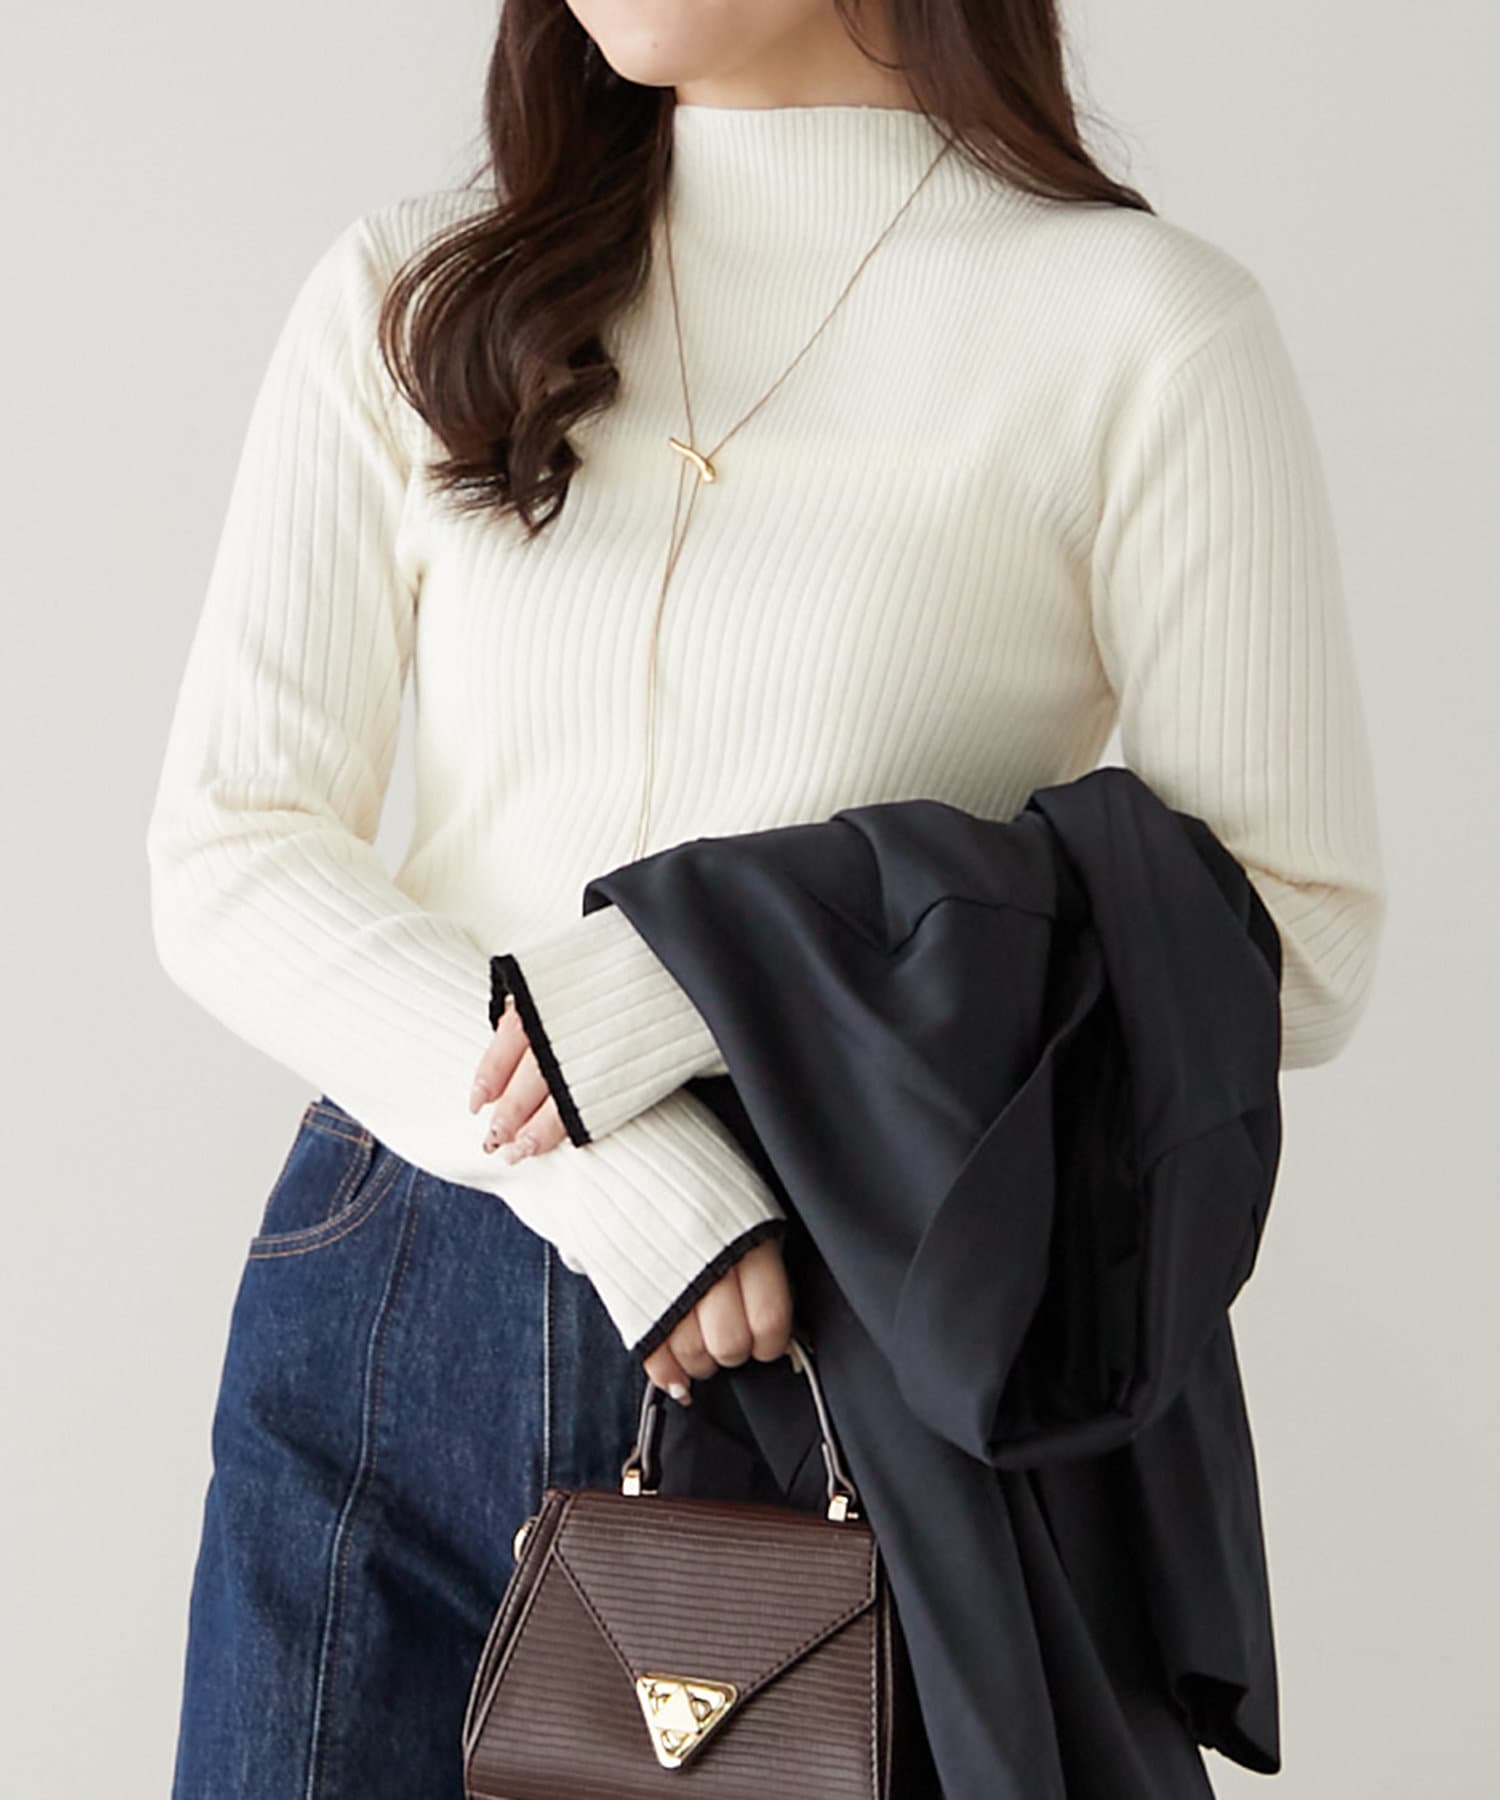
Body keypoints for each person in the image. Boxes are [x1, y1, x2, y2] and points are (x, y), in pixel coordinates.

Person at [147, 2, 1387, 1795]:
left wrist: (718, 971)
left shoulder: (1142, 329)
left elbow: (1290, 933)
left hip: (825, 1319)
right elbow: (234, 841)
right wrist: (606, 1168)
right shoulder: (415, 292)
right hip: (400, 1267)